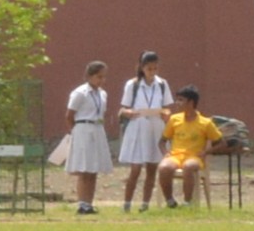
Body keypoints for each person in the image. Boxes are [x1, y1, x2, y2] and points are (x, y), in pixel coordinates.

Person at [115, 52, 173, 211]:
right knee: (135, 169)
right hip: (138, 127)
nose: (152, 72)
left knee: (152, 169)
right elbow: (123, 108)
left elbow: (167, 107)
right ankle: (127, 204)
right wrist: (128, 112)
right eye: (149, 69)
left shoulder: (162, 84)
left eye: (155, 69)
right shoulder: (132, 85)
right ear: (142, 68)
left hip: (155, 127)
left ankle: (145, 204)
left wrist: (166, 113)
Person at [59, 59, 112, 215]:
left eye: (104, 77)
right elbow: (69, 115)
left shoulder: (102, 94)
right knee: (84, 168)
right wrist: (75, 132)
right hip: (83, 128)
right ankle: (82, 204)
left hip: (97, 128)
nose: (102, 80)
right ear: (90, 76)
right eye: (99, 77)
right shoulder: (80, 93)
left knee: (93, 168)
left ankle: (89, 203)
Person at [157, 88, 220, 205]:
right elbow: (162, 141)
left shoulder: (205, 123)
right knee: (164, 167)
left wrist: (206, 152)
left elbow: (221, 143)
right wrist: (165, 152)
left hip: (194, 157)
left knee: (188, 166)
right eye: (177, 100)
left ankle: (187, 202)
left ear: (191, 102)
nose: (177, 103)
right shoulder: (174, 119)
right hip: (175, 156)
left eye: (181, 100)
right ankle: (170, 201)